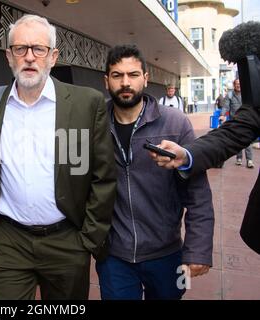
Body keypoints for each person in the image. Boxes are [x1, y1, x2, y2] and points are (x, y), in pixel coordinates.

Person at [0, 14, 117, 300]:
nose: (29, 57)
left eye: (39, 49)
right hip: (10, 241)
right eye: (20, 49)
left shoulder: (86, 103)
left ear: (53, 56)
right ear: (9, 56)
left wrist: (87, 239)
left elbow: (103, 176)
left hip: (67, 241)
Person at [96, 45, 214, 300]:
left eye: (133, 74)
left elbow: (198, 193)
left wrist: (198, 250)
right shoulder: (95, 124)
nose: (125, 82)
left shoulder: (176, 123)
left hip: (167, 252)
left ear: (146, 78)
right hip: (114, 255)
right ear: (107, 81)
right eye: (117, 75)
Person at [150, 103, 260, 254]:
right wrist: (186, 155)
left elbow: (197, 196)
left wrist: (198, 248)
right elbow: (234, 133)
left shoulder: (177, 121)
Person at [219, 79, 254, 168]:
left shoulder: (247, 94)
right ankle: (239, 158)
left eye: (239, 84)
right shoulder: (230, 95)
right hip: (235, 121)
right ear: (234, 85)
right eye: (236, 84)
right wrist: (222, 115)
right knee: (238, 139)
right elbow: (225, 106)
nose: (238, 85)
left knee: (248, 140)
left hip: (247, 120)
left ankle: (249, 160)